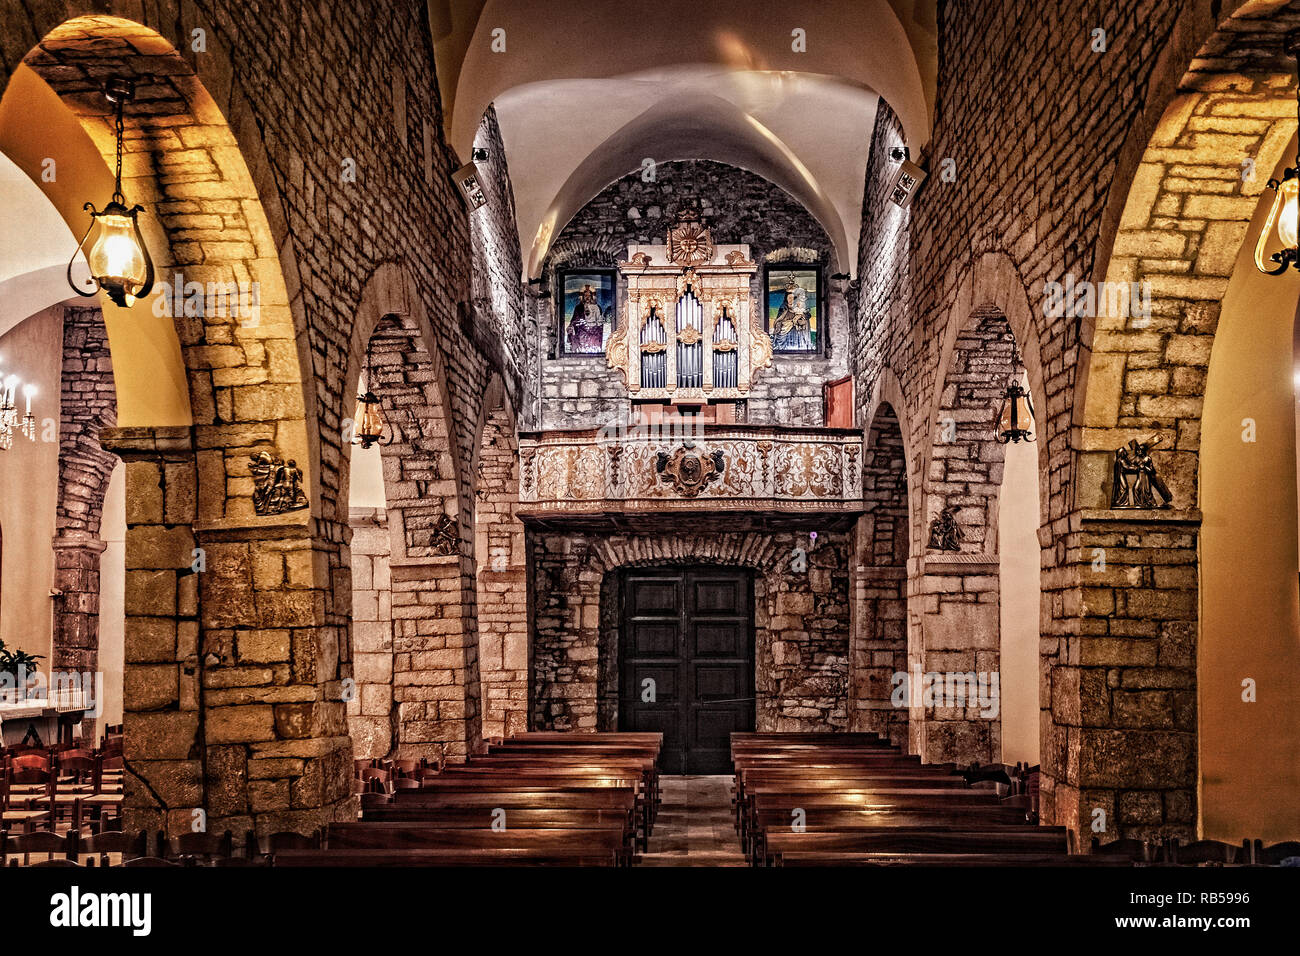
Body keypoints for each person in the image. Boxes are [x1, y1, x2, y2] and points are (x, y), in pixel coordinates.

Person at [772, 274, 813, 351]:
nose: (791, 300)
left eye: (793, 298)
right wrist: (785, 324)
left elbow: (806, 322)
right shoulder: (783, 310)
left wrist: (802, 321)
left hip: (798, 338)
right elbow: (777, 323)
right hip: (785, 338)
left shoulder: (801, 310)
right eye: (789, 298)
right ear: (786, 299)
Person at [567, 284, 607, 353]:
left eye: (589, 295)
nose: (587, 297)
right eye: (585, 295)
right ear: (582, 297)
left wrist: (594, 326)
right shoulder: (578, 308)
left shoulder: (597, 307)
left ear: (592, 297)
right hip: (581, 332)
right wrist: (572, 326)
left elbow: (600, 323)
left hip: (594, 332)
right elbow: (574, 320)